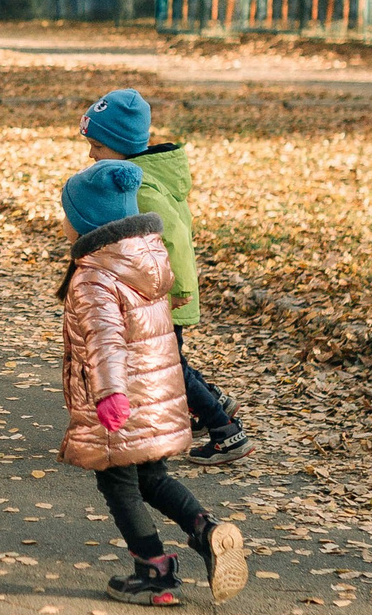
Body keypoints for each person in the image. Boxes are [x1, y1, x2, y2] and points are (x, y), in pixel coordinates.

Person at [57, 160, 248, 606]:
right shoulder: (144, 259)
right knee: (152, 477)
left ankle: (153, 569)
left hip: (119, 398)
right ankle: (206, 530)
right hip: (154, 396)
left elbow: (105, 340)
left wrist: (109, 393)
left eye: (66, 214)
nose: (62, 222)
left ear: (88, 221)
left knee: (117, 483)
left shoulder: (94, 276)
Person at [80, 88, 250, 464]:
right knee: (172, 362)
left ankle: (225, 431)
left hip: (163, 296)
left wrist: (176, 291)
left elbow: (175, 243)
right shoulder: (134, 182)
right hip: (152, 293)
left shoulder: (142, 190)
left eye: (98, 147)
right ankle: (216, 401)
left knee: (169, 368)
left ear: (121, 146)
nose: (91, 155)